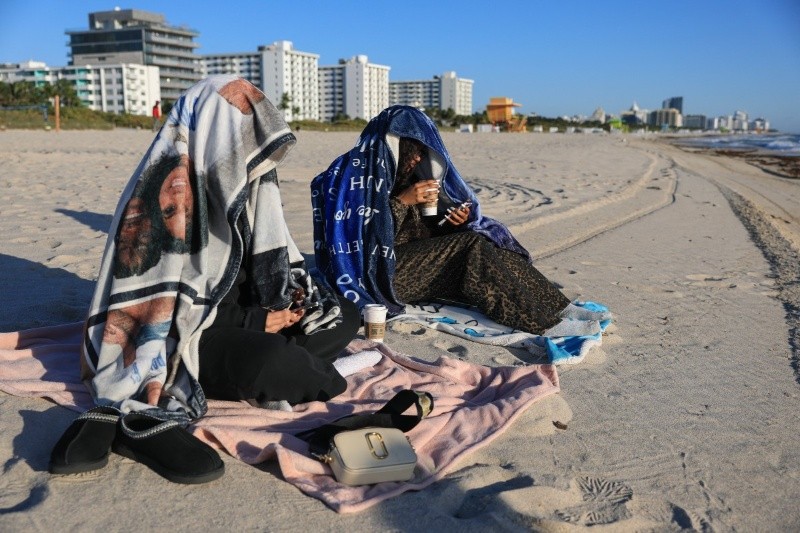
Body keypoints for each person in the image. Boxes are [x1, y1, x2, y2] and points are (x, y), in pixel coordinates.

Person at [50, 75, 358, 483]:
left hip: (250, 319)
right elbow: (160, 318)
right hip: (193, 337)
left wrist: (285, 303)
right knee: (273, 361)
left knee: (345, 313)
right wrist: (254, 324)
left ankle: (289, 366)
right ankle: (307, 373)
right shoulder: (165, 200)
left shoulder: (251, 185)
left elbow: (273, 263)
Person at [312, 105, 601, 336]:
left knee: (480, 239)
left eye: (421, 155)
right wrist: (402, 202)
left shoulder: (403, 174)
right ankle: (542, 323)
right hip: (376, 276)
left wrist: (452, 223)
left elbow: (421, 242)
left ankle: (558, 307)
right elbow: (358, 244)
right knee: (471, 246)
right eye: (412, 154)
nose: (415, 162)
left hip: (408, 265)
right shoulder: (352, 175)